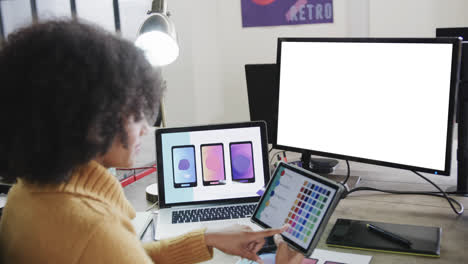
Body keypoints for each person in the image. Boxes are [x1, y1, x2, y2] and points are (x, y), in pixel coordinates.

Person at [0, 20, 304, 264]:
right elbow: (109, 249)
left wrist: (207, 238)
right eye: (134, 112)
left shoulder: (25, 194)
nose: (147, 127)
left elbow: (127, 255)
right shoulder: (90, 229)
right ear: (86, 116)